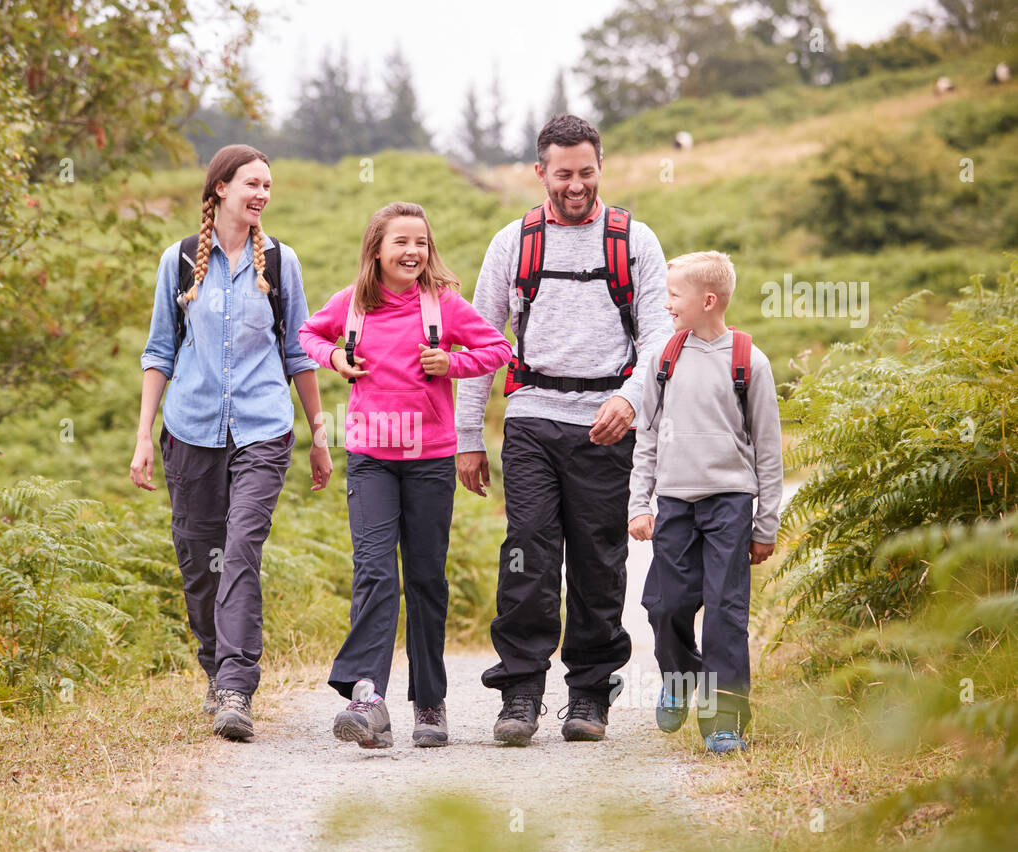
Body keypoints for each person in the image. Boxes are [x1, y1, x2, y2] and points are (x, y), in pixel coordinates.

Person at [455, 115, 674, 745]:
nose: (574, 185)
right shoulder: (512, 243)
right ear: (540, 172)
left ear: (599, 167)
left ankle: (589, 697)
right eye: (562, 174)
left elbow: (658, 336)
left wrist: (632, 401)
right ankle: (521, 694)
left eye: (585, 172)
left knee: (600, 558)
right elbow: (481, 341)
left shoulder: (636, 241)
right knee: (527, 550)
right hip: (530, 418)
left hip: (608, 423)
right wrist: (470, 436)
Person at [130, 144, 333, 742]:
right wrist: (144, 436)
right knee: (199, 562)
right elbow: (159, 353)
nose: (263, 194)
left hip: (264, 428)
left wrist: (318, 433)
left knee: (241, 548)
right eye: (252, 183)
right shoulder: (177, 261)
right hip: (189, 429)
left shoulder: (281, 262)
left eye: (268, 185)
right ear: (219, 188)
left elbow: (297, 352)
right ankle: (216, 672)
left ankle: (238, 689)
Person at [299, 202, 512, 748]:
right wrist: (336, 360)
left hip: (430, 459)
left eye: (421, 241)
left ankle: (430, 702)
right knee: (374, 572)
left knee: (425, 578)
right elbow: (307, 336)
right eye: (401, 242)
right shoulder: (352, 306)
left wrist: (452, 364)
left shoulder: (443, 306)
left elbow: (498, 347)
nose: (413, 251)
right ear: (377, 249)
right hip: (370, 456)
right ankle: (367, 698)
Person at [627, 251, 783, 755]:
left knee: (724, 611)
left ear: (707, 300)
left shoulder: (748, 361)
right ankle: (680, 677)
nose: (666, 303)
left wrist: (765, 524)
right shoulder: (663, 358)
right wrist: (639, 502)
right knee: (664, 605)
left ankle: (725, 721)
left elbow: (769, 450)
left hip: (730, 506)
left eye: (675, 294)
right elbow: (646, 436)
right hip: (675, 505)